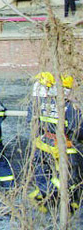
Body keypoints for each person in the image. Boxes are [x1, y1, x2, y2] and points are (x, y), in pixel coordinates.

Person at [28, 72, 83, 209]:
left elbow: (36, 123)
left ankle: (43, 194)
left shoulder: (45, 103)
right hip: (64, 145)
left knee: (43, 170)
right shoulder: (71, 107)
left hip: (44, 143)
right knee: (71, 175)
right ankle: (63, 197)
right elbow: (78, 130)